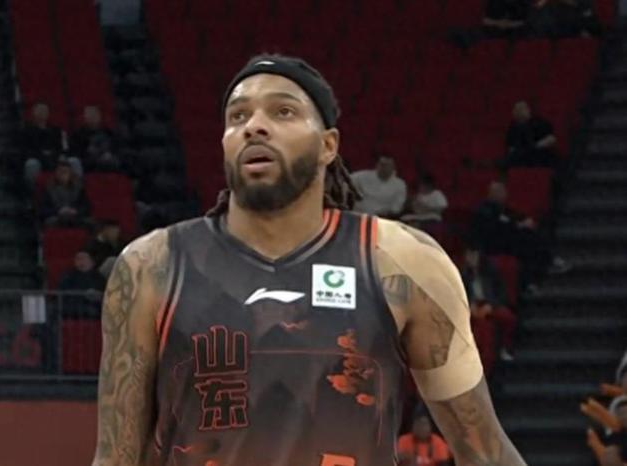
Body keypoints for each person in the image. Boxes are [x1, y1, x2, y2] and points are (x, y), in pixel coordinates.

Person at [91, 54, 526, 466]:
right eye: (238, 116)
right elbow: (115, 459)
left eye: (283, 112)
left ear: (328, 145)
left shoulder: (403, 262)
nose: (254, 127)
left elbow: (486, 453)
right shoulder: (151, 266)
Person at [468, 180, 569, 291]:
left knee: (530, 239)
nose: (503, 194)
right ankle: (544, 267)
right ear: (491, 193)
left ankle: (536, 277)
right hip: (492, 244)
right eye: (499, 192)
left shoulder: (502, 208)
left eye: (503, 191)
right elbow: (494, 229)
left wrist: (524, 221)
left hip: (508, 239)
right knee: (527, 242)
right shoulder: (484, 210)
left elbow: (513, 216)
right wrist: (517, 225)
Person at [461, 246, 518, 374]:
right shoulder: (463, 275)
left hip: (490, 305)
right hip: (473, 308)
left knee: (509, 318)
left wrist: (491, 306)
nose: (471, 259)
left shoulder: (491, 271)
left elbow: (502, 294)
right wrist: (469, 306)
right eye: (469, 255)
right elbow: (461, 296)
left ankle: (506, 348)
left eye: (474, 255)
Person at [20, 102, 82, 191]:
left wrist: (57, 155)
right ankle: (33, 192)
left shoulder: (57, 130)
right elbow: (25, 150)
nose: (42, 112)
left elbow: (64, 148)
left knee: (74, 161)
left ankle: (76, 189)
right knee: (31, 164)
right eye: (39, 110)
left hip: (55, 158)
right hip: (37, 158)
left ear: (48, 113)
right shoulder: (26, 131)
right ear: (33, 112)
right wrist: (42, 155)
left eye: (44, 110)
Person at [502, 101, 558, 169]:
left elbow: (551, 139)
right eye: (517, 109)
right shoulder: (513, 127)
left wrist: (536, 146)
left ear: (528, 110)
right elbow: (511, 147)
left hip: (538, 154)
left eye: (523, 108)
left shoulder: (539, 122)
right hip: (520, 156)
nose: (519, 111)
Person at [39, 159, 91, 227]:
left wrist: (75, 211)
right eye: (60, 171)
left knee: (87, 222)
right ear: (56, 173)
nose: (62, 174)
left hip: (75, 216)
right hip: (56, 217)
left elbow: (86, 207)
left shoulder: (78, 188)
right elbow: (43, 209)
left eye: (65, 172)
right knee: (51, 221)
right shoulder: (48, 188)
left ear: (70, 174)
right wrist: (58, 211)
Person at [70, 105, 120, 173]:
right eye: (89, 115)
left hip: (109, 163)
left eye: (94, 115)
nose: (92, 118)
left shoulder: (108, 133)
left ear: (100, 116)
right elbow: (76, 154)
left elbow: (116, 149)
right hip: (88, 165)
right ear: (85, 117)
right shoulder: (78, 135)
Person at [58, 250, 107, 317]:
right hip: (72, 306)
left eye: (83, 258)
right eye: (78, 259)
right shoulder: (69, 276)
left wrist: (98, 296)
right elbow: (62, 291)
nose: (80, 261)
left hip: (92, 307)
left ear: (92, 262)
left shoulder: (99, 278)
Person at [603, 399, 627, 466]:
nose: (625, 416)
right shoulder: (613, 438)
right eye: (621, 413)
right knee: (610, 452)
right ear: (617, 417)